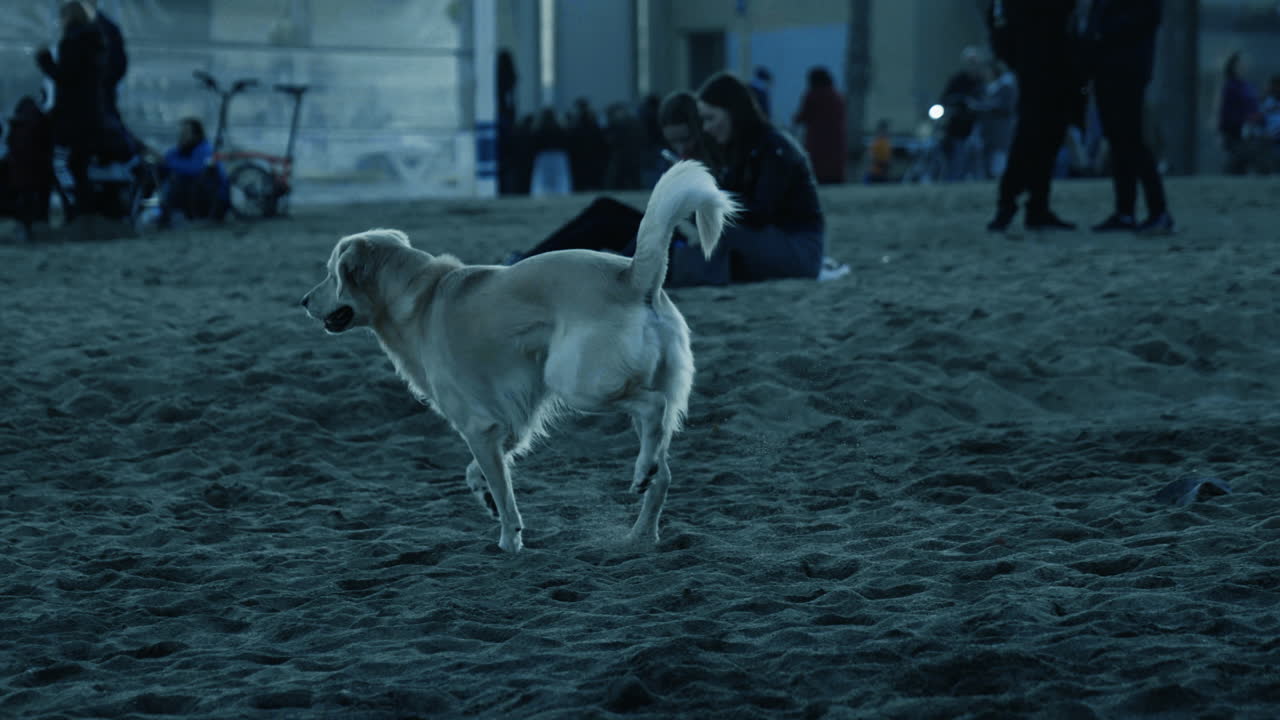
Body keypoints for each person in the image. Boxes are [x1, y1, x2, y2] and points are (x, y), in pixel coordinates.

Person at [502, 91, 718, 269]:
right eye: (673, 142)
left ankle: (535, 264)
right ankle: (533, 258)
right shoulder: (691, 157)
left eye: (685, 140)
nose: (680, 148)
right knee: (603, 206)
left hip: (687, 244)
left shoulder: (715, 157)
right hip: (676, 234)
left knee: (602, 225)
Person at [686, 71, 824, 284]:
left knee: (716, 234)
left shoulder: (775, 149)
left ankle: (667, 272)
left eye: (710, 118)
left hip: (799, 250)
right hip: (773, 242)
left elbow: (758, 213)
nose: (706, 128)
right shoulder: (745, 148)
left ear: (733, 112)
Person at [985, 0, 1083, 232]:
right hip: (1039, 64)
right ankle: (1012, 203)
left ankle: (1034, 205)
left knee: (1047, 136)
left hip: (1051, 64)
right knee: (1031, 136)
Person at [1085, 0, 1173, 235]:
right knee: (1119, 142)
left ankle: (1158, 211)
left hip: (1126, 69)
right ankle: (1126, 211)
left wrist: (1102, 34)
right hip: (1108, 69)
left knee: (1131, 141)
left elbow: (1145, 18)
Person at [35, 0, 108, 218]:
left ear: (69, 18)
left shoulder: (72, 42)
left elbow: (65, 78)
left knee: (61, 164)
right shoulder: (97, 42)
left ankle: (74, 208)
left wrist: (44, 60)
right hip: (91, 114)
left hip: (72, 116)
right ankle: (85, 212)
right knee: (80, 166)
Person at [148, 117, 227, 227]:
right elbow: (167, 159)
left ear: (196, 135)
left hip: (213, 202)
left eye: (185, 133)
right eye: (181, 133)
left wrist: (168, 164)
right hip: (194, 199)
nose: (181, 136)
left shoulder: (205, 149)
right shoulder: (181, 150)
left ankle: (166, 216)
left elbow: (195, 169)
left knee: (180, 179)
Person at [0, 97, 54, 241]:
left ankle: (25, 228)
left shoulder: (15, 126)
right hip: (37, 177)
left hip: (17, 178)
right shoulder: (42, 124)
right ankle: (36, 226)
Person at [792, 66, 847, 184]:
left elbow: (803, 116)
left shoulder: (812, 95)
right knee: (833, 166)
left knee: (817, 166)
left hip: (817, 140)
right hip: (835, 140)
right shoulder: (837, 96)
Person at [938, 47, 986, 181]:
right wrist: (960, 101)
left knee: (976, 160)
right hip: (958, 128)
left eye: (975, 62)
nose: (973, 65)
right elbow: (945, 99)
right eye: (970, 62)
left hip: (977, 127)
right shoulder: (956, 80)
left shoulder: (981, 81)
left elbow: (986, 100)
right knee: (957, 161)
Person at [1216, 52, 1261, 175]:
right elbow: (1226, 111)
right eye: (1240, 65)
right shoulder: (1230, 86)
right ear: (1233, 67)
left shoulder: (1247, 85)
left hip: (1250, 128)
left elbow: (1254, 106)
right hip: (1235, 129)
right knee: (1237, 160)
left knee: (1246, 159)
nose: (1243, 67)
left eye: (1244, 65)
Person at [972, 60, 1018, 179]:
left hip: (1000, 133)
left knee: (998, 165)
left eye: (987, 71)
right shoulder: (982, 89)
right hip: (986, 133)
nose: (985, 74)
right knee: (985, 164)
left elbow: (1007, 106)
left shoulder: (1005, 87)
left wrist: (987, 105)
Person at [529, 107, 573, 196]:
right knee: (560, 179)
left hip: (544, 156)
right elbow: (567, 142)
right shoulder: (560, 128)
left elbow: (534, 144)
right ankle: (562, 194)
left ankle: (542, 194)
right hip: (558, 156)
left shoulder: (539, 129)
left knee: (543, 180)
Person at [864, 119, 893, 183]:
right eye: (883, 130)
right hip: (875, 173)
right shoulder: (876, 142)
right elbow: (871, 157)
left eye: (886, 130)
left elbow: (888, 156)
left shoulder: (886, 142)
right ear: (879, 130)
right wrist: (882, 163)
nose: (885, 132)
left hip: (884, 173)